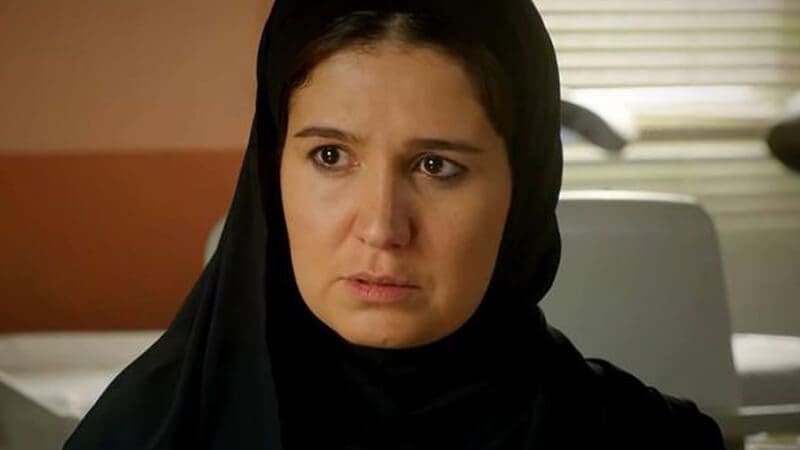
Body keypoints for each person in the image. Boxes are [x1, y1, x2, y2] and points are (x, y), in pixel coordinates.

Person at [63, 1, 725, 449]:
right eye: (330, 157)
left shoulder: (647, 439)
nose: (382, 227)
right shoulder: (146, 433)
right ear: (271, 172)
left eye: (436, 166)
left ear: (522, 188)